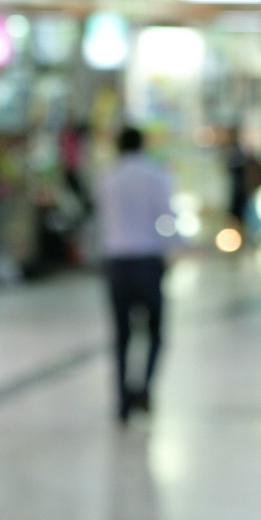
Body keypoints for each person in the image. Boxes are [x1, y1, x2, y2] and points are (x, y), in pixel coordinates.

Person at [96, 126, 176, 421]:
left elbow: (101, 220)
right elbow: (167, 216)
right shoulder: (156, 176)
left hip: (117, 262)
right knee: (155, 332)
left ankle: (122, 400)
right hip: (148, 260)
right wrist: (177, 245)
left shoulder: (107, 178)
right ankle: (145, 389)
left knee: (121, 335)